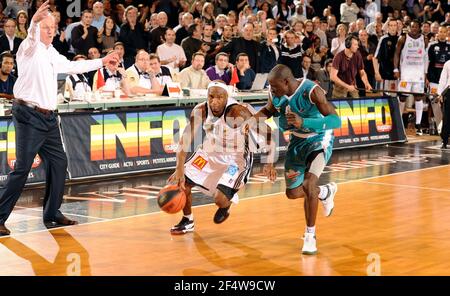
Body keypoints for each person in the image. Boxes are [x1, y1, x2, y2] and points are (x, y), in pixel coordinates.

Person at [0, 1, 120, 236]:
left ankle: (52, 212)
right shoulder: (28, 47)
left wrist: (102, 62)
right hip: (28, 114)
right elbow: (33, 35)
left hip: (48, 118)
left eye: (53, 27)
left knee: (59, 163)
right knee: (22, 169)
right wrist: (34, 22)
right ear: (37, 28)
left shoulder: (51, 51)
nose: (51, 30)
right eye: (46, 27)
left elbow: (69, 66)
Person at [250, 64, 341, 254]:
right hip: (296, 142)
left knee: (309, 184)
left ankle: (310, 236)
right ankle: (324, 192)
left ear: (286, 81)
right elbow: (269, 110)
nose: (272, 90)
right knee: (292, 193)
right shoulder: (275, 93)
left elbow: (335, 121)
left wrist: (304, 122)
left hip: (319, 139)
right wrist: (252, 120)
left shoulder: (311, 91)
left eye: (275, 87)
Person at [168, 80, 275, 234]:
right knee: (179, 183)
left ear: (227, 98)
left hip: (236, 157)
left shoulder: (238, 112)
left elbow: (269, 132)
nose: (214, 102)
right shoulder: (201, 110)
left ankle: (226, 204)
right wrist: (179, 169)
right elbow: (184, 141)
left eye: (219, 98)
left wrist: (269, 162)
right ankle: (188, 219)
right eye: (211, 96)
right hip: (210, 151)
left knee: (220, 199)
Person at [394, 21, 429, 135]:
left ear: (419, 28)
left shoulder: (424, 39)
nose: (414, 28)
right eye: (412, 26)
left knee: (419, 98)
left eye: (416, 27)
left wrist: (425, 74)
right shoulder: (403, 38)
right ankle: (399, 122)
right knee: (403, 98)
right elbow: (397, 54)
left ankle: (418, 125)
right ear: (409, 27)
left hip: (418, 74)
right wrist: (396, 69)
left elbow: (425, 57)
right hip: (405, 73)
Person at [438, 60, 450, 149]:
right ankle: (444, 140)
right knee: (447, 116)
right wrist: (439, 94)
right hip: (449, 91)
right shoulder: (448, 63)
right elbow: (442, 79)